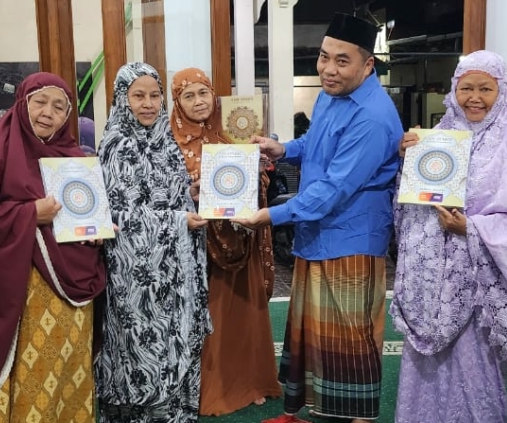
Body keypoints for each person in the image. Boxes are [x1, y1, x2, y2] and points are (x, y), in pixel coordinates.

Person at [234, 13, 402, 423]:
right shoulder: (331, 95)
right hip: (317, 231)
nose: (328, 69)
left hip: (351, 238)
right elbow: (317, 143)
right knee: (312, 332)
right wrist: (284, 149)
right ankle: (306, 413)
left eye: (342, 61)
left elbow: (334, 189)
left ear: (368, 65)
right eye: (325, 57)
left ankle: (359, 420)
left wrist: (270, 215)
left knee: (351, 338)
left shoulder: (373, 116)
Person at [390, 50, 507, 422]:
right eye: (466, 88)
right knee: (428, 372)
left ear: (501, 92)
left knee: (476, 367)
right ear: (453, 90)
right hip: (433, 283)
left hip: (478, 287)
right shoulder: (438, 137)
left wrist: (470, 228)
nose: (474, 98)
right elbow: (412, 206)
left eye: (485, 89)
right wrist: (407, 159)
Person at [0, 72, 108, 422]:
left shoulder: (72, 155)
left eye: (59, 107)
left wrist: (98, 228)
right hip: (23, 286)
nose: (48, 113)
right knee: (35, 365)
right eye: (40, 102)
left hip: (74, 287)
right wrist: (30, 214)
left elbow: (84, 209)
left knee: (69, 361)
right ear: (22, 103)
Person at [95, 62, 210, 423]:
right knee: (142, 348)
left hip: (175, 271)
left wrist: (190, 195)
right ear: (122, 99)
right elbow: (117, 217)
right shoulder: (115, 146)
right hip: (136, 278)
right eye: (138, 96)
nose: (147, 104)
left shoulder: (165, 142)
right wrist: (178, 221)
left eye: (154, 96)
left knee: (178, 341)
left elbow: (170, 196)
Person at [169, 67, 281, 416]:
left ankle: (250, 380)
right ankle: (212, 387)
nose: (199, 102)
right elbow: (165, 194)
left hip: (238, 240)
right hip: (197, 248)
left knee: (241, 313)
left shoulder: (228, 138)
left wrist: (256, 173)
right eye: (188, 96)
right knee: (210, 315)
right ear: (177, 102)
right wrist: (191, 190)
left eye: (204, 93)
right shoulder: (169, 144)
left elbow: (253, 187)